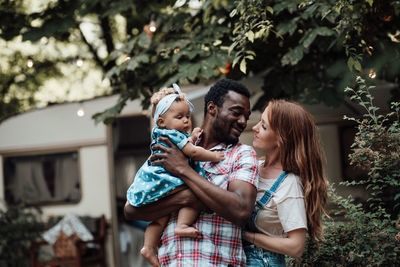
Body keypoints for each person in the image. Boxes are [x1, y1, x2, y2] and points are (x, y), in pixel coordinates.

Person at [124, 79, 259, 266]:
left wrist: (182, 170)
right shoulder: (173, 148)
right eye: (237, 113)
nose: (244, 121)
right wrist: (192, 198)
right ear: (212, 108)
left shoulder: (242, 155)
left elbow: (241, 210)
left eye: (246, 115)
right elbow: (131, 210)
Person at [242, 99, 328, 266]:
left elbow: (296, 246)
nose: (254, 128)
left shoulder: (289, 184)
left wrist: (248, 236)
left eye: (264, 126)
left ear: (281, 139)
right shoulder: (252, 167)